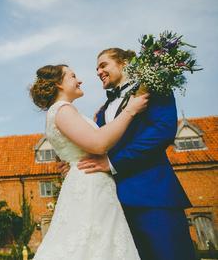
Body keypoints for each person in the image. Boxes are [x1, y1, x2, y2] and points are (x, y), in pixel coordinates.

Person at [60, 48, 196, 260]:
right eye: (96, 68)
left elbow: (162, 132)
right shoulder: (103, 111)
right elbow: (98, 146)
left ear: (124, 63)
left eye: (103, 65)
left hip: (153, 197)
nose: (98, 71)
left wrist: (113, 162)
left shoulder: (153, 87)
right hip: (114, 207)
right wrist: (75, 163)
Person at [29, 63, 149, 260]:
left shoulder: (62, 111)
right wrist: (130, 110)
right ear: (59, 84)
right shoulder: (63, 110)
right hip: (90, 185)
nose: (79, 80)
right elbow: (98, 144)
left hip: (88, 181)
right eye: (72, 76)